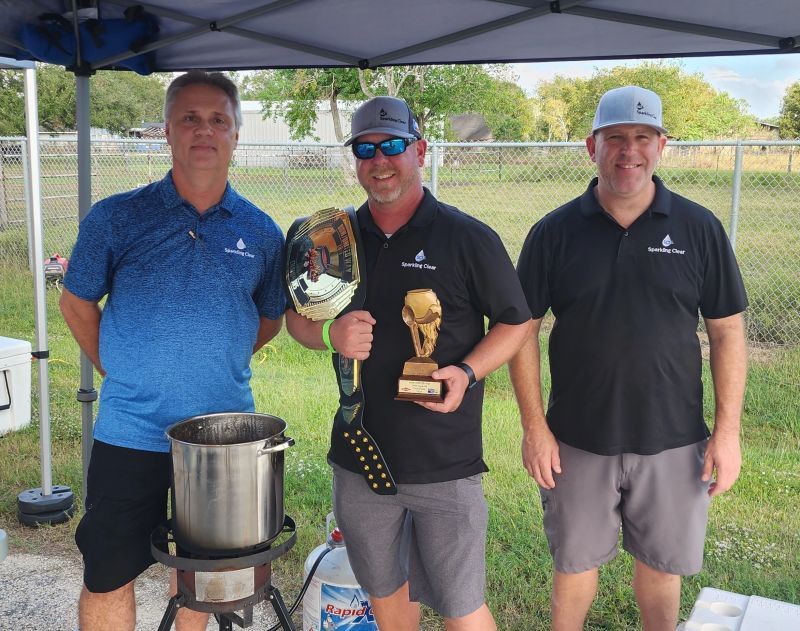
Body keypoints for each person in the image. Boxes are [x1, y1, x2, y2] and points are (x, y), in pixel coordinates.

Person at [286, 96, 532, 631]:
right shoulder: (334, 238)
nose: (380, 160)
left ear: (419, 150)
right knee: (386, 602)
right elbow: (296, 321)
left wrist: (467, 373)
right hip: (360, 456)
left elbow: (516, 323)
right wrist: (331, 332)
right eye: (366, 149)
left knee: (462, 608)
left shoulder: (468, 237)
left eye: (393, 145)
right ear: (355, 160)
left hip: (445, 462)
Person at [509, 85, 748, 631]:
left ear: (662, 145)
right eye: (615, 138)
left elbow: (727, 331)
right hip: (576, 437)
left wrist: (727, 432)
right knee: (574, 565)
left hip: (673, 435)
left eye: (643, 137)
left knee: (661, 568)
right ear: (591, 146)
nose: (629, 151)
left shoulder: (699, 228)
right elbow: (521, 331)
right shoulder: (554, 232)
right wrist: (535, 427)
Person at [60, 71, 286, 631]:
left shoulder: (262, 232)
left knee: (205, 574)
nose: (203, 130)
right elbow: (76, 305)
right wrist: (120, 367)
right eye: (189, 117)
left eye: (217, 120)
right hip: (129, 431)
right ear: (166, 131)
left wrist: (215, 357)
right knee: (109, 572)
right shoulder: (117, 217)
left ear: (236, 134)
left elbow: (269, 319)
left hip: (222, 439)